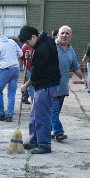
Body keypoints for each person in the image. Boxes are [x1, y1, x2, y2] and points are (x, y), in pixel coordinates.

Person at [24, 24, 58, 153]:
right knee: (34, 114)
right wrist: (30, 57)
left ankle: (44, 144)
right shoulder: (45, 41)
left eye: (28, 42)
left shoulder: (43, 47)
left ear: (33, 36)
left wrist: (26, 86)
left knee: (42, 116)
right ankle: (34, 141)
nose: (29, 45)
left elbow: (37, 71)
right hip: (42, 85)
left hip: (46, 85)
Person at [51, 25, 79, 141]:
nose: (64, 35)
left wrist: (84, 78)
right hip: (51, 86)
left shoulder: (71, 50)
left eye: (67, 33)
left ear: (70, 36)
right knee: (54, 111)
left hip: (62, 87)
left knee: (56, 112)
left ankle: (51, 131)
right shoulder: (51, 47)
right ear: (58, 34)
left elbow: (75, 66)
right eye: (62, 33)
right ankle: (58, 132)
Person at [0, 27, 23, 120]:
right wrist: (13, 59)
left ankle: (0, 113)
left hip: (6, 70)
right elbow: (21, 53)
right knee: (12, 93)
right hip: (16, 69)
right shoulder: (12, 42)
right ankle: (9, 116)